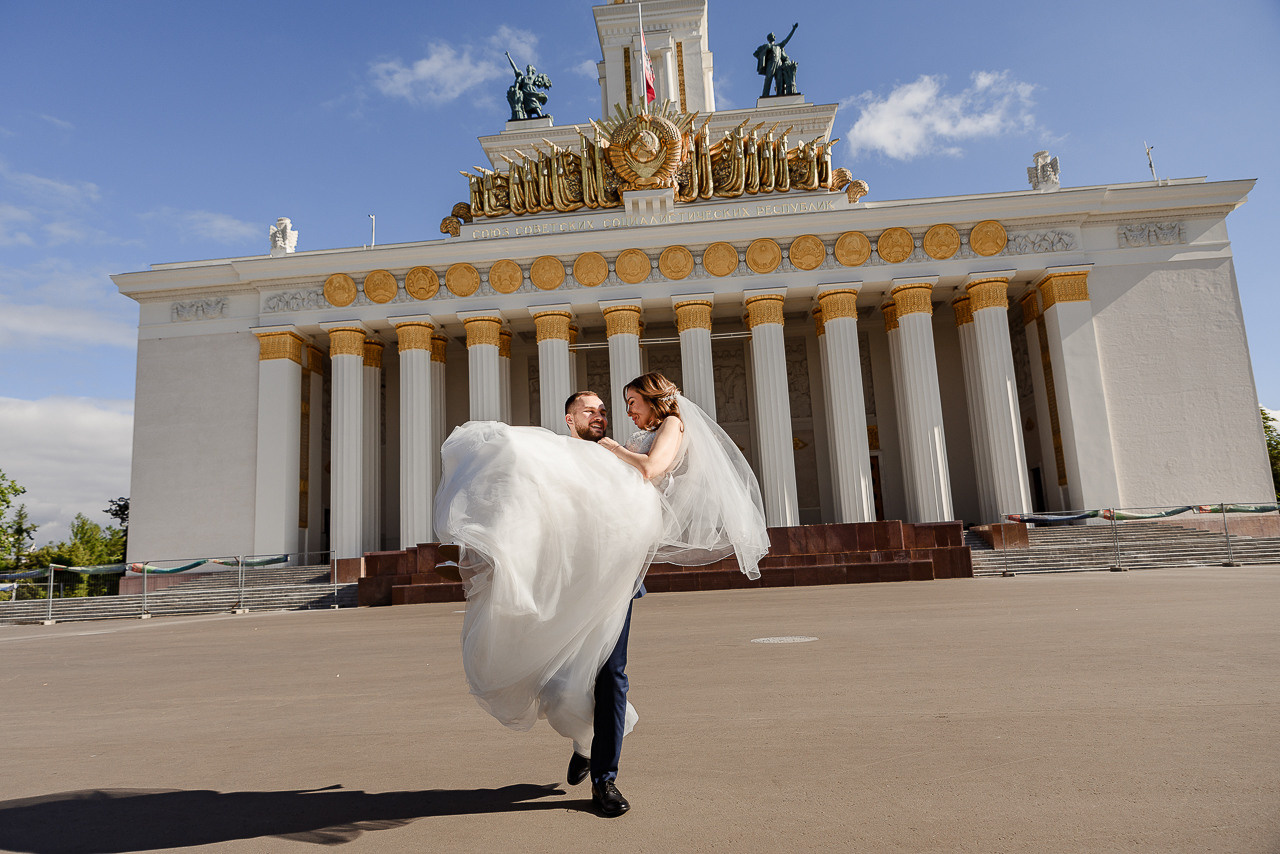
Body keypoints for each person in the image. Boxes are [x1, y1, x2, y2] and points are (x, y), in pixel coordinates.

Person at [433, 373, 767, 818]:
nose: (610, 414)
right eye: (594, 410)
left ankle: (604, 780)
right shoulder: (563, 455)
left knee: (611, 675)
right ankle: (586, 741)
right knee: (560, 682)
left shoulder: (645, 437)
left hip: (614, 577)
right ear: (569, 420)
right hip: (568, 581)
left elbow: (650, 471)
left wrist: (610, 448)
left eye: (616, 406)